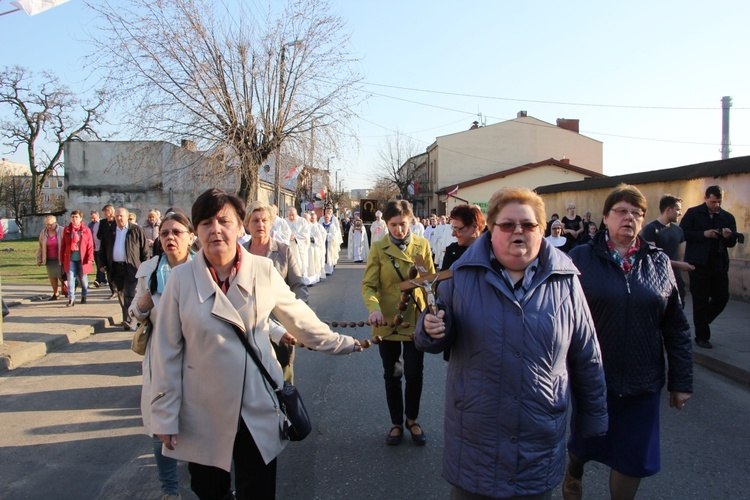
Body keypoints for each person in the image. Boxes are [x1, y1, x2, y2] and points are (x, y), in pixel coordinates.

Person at [149, 188, 362, 500]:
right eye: (206, 223)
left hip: (255, 403)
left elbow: (298, 316)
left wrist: (343, 343)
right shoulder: (181, 281)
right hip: (203, 407)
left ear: (239, 226)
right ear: (197, 231)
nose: (216, 229)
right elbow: (165, 352)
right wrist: (164, 415)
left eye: (224, 221)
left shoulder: (261, 271)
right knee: (210, 491)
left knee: (258, 491)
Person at [415, 187, 607, 499]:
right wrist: (430, 328)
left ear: (541, 231)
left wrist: (593, 418)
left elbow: (587, 355)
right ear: (491, 230)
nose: (518, 231)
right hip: (476, 441)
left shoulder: (566, 280)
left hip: (538, 441)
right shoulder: (460, 275)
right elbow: (432, 338)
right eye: (507, 225)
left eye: (528, 225)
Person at [565, 184, 693, 500]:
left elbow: (675, 326)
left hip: (643, 380)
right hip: (594, 378)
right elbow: (559, 317)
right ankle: (574, 468)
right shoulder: (580, 258)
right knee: (584, 445)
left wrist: (681, 381)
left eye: (637, 213)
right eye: (622, 211)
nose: (629, 218)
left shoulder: (659, 262)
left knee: (632, 459)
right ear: (605, 217)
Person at [129, 211, 195, 500]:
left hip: (197, 356)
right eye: (165, 232)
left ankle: (205, 482)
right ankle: (169, 490)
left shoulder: (204, 268)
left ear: (191, 237)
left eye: (177, 232)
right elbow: (135, 314)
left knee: (198, 422)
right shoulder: (150, 269)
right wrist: (144, 302)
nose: (169, 237)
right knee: (160, 424)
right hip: (159, 355)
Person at [361, 200, 434, 447]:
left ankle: (412, 419)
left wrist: (431, 310)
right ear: (386, 224)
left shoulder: (421, 245)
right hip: (387, 321)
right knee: (393, 374)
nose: (399, 230)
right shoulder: (379, 248)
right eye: (393, 225)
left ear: (411, 221)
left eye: (403, 224)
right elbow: (369, 285)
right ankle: (396, 423)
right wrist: (374, 309)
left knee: (414, 374)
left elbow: (430, 282)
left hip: (415, 321)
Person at [245, 201, 309, 384]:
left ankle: (286, 413)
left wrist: (296, 319)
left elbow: (299, 286)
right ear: (247, 224)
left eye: (265, 220)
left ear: (271, 222)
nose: (260, 225)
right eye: (255, 221)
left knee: (284, 379)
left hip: (282, 327)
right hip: (250, 327)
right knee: (253, 381)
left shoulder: (283, 251)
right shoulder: (240, 254)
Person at [679, 185, 739, 349]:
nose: (716, 205)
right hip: (698, 263)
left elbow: (732, 241)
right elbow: (682, 232)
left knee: (722, 297)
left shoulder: (727, 217)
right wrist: (703, 234)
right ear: (706, 199)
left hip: (718, 264)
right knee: (700, 300)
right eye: (713, 202)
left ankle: (703, 321)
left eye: (719, 202)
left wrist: (727, 237)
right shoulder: (693, 213)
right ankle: (702, 336)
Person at [640, 195, 694, 303]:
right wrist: (679, 264)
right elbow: (652, 257)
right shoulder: (650, 229)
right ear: (668, 210)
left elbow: (680, 256)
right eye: (678, 209)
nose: (680, 213)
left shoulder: (678, 230)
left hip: (676, 278)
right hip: (656, 278)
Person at [101, 207, 149, 328]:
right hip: (115, 267)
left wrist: (145, 267)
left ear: (127, 217)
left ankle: (129, 319)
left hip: (131, 267)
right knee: (121, 293)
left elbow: (144, 250)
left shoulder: (136, 230)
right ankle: (128, 317)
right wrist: (102, 264)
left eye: (121, 216)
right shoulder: (110, 231)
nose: (118, 218)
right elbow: (103, 249)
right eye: (116, 216)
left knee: (129, 293)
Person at [60, 211, 95, 307]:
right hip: (70, 258)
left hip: (82, 258)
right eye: (73, 217)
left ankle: (84, 295)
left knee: (83, 279)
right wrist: (61, 258)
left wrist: (90, 258)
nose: (74, 219)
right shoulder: (67, 230)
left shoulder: (86, 230)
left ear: (80, 218)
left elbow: (90, 245)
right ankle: (71, 298)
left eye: (76, 217)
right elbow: (63, 244)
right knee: (70, 277)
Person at [440, 204, 485, 271]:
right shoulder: (452, 251)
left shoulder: (493, 252)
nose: (453, 234)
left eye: (457, 229)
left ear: (474, 227)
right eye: (453, 229)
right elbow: (444, 280)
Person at [36, 215, 65, 300]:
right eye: (47, 224)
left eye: (50, 224)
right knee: (52, 276)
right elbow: (40, 246)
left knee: (61, 276)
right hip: (49, 259)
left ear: (55, 223)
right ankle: (55, 293)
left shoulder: (62, 230)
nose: (48, 226)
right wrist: (39, 259)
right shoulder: (43, 232)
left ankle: (67, 290)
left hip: (60, 258)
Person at [97, 205, 118, 298]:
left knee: (117, 270)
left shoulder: (116, 221)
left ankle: (119, 288)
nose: (105, 213)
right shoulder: (102, 222)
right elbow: (99, 235)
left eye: (107, 211)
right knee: (108, 271)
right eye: (104, 211)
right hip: (106, 247)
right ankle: (113, 290)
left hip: (115, 246)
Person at [320, 209, 343, 275]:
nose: (326, 219)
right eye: (325, 217)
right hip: (323, 243)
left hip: (329, 244)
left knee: (329, 256)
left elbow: (334, 235)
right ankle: (323, 270)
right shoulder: (321, 225)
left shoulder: (332, 226)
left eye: (328, 217)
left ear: (330, 218)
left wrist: (327, 235)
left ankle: (329, 270)